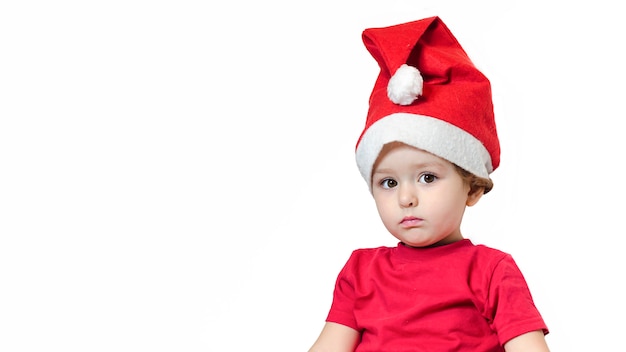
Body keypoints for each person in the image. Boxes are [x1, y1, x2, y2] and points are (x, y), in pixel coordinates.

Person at [308, 16, 550, 352]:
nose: (406, 198)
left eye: (427, 178)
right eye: (389, 182)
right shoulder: (361, 272)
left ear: (473, 187)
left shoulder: (491, 271)